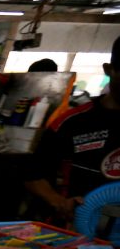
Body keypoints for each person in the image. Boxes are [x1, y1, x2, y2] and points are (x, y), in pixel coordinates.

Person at [24, 35, 120, 221]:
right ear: (109, 70)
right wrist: (59, 202)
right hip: (82, 227)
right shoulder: (72, 123)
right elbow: (33, 176)